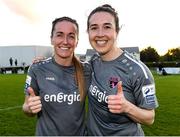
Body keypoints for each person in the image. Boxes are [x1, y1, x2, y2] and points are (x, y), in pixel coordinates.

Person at [86, 4, 159, 136]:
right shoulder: (93, 61)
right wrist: (43, 62)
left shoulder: (138, 71)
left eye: (107, 27)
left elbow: (150, 118)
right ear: (88, 32)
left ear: (117, 31)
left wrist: (127, 107)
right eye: (94, 28)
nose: (100, 34)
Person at [22, 17, 91, 136]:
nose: (65, 41)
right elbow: (26, 107)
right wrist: (29, 108)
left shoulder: (87, 70)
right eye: (59, 35)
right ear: (51, 39)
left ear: (77, 41)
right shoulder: (37, 69)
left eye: (71, 36)